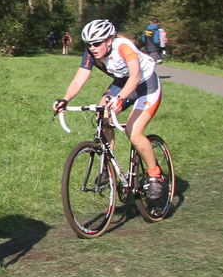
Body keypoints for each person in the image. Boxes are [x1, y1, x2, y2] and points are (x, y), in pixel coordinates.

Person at [53, 18, 166, 201]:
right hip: (122, 83)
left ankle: (155, 175)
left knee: (133, 133)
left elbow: (135, 77)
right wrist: (65, 100)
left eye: (97, 43)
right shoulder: (91, 53)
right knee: (103, 116)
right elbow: (79, 80)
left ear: (109, 40)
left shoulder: (124, 47)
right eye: (89, 44)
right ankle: (107, 166)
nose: (92, 48)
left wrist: (120, 99)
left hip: (146, 85)